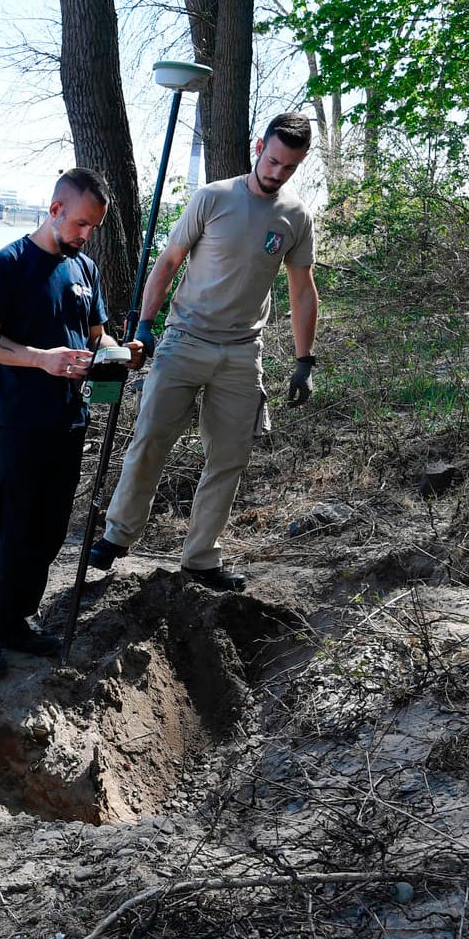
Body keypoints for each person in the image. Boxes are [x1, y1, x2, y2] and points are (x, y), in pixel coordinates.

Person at [89, 112, 319, 592]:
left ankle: (200, 559)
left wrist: (304, 361)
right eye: (273, 161)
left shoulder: (295, 217)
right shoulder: (213, 197)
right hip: (184, 340)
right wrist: (146, 326)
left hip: (241, 353)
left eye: (289, 167)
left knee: (229, 458)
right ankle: (117, 536)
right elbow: (168, 262)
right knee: (150, 438)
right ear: (259, 148)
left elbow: (302, 290)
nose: (277, 173)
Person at [0, 167, 130, 678]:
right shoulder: (8, 264)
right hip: (21, 420)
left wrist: (124, 354)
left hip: (70, 419)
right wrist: (42, 359)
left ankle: (19, 620)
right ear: (55, 209)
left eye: (93, 227)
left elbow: (96, 337)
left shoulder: (86, 271)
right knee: (10, 528)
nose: (86, 235)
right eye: (80, 223)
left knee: (50, 529)